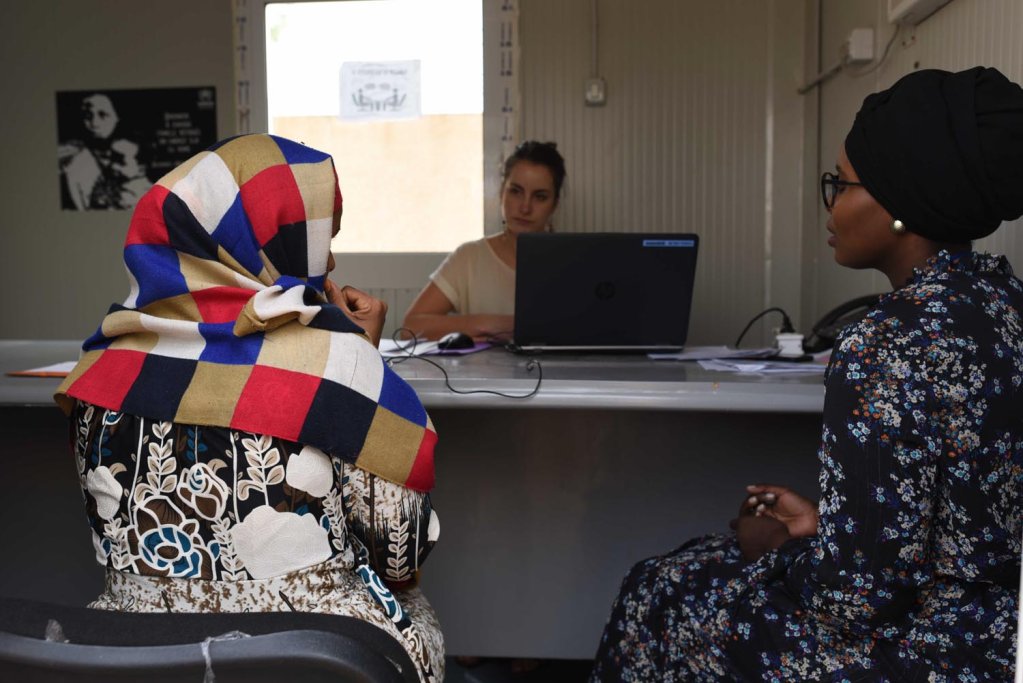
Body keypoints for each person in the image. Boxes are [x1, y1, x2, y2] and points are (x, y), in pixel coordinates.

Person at [590, 66, 1023, 681]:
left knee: (659, 590)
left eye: (840, 185)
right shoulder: (1006, 305)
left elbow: (852, 601)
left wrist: (773, 543)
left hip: (924, 652)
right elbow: (952, 524)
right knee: (694, 565)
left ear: (900, 202)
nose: (830, 204)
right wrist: (829, 527)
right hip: (1004, 636)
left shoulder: (887, 341)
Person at [54, 134, 444, 682]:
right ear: (267, 244)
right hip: (308, 659)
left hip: (136, 656)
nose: (329, 259)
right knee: (416, 613)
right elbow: (398, 555)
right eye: (318, 240)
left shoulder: (98, 367)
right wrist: (361, 357)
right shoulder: (341, 365)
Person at [402, 140, 567, 341]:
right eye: (515, 191)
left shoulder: (574, 261)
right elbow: (410, 327)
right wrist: (496, 325)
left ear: (555, 204)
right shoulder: (469, 258)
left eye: (539, 197)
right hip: (485, 372)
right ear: (501, 193)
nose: (525, 207)